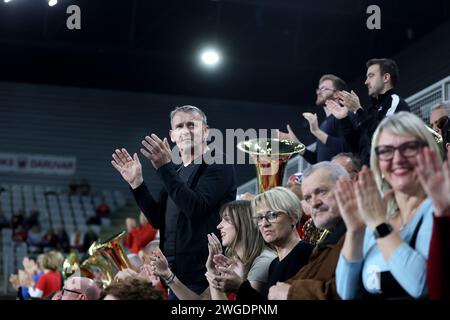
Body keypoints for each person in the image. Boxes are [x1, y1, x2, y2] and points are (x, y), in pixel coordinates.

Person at [111, 105, 236, 298]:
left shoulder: (218, 164)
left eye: (191, 125)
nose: (185, 131)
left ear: (206, 131)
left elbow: (195, 208)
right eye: (179, 126)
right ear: (172, 135)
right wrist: (137, 184)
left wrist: (164, 168)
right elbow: (157, 220)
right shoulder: (176, 172)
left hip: (203, 275)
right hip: (174, 273)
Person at [335, 112, 438, 299]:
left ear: (427, 153)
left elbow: (423, 285)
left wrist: (379, 226)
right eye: (386, 151)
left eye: (408, 148)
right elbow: (345, 293)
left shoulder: (437, 210)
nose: (397, 160)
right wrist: (355, 230)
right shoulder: (379, 215)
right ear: (378, 163)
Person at [149, 200, 276, 300]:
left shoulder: (263, 261)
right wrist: (167, 274)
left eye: (226, 220)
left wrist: (217, 277)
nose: (219, 226)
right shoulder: (231, 262)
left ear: (244, 223)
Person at [208, 188, 313, 301]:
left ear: (293, 217)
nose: (264, 223)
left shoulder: (306, 253)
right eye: (259, 218)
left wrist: (240, 287)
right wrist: (242, 281)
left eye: (272, 215)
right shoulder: (274, 264)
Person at [267, 162, 349, 300]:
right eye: (308, 198)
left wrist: (291, 292)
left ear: (346, 187)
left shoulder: (363, 231)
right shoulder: (326, 245)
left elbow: (348, 291)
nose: (314, 203)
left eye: (322, 191)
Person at [327, 58, 410, 166]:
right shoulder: (370, 111)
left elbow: (384, 136)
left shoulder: (395, 102)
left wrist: (358, 110)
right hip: (368, 174)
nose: (366, 82)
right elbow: (356, 146)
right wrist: (344, 119)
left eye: (371, 76)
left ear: (386, 77)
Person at [279, 74, 353, 163]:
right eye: (319, 89)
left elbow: (348, 148)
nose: (318, 92)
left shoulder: (345, 117)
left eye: (324, 89)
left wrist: (317, 131)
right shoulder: (324, 124)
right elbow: (317, 160)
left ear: (337, 94)